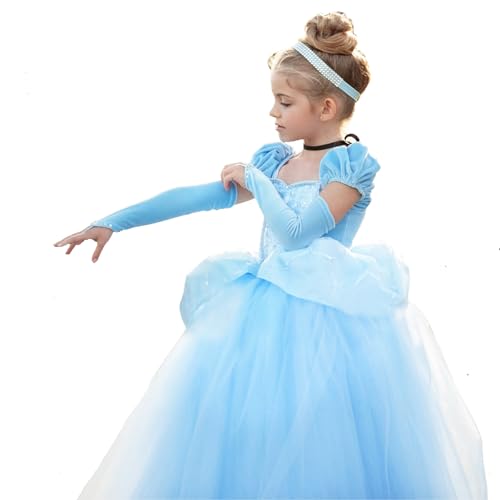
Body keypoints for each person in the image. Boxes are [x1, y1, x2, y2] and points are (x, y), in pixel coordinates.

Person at [54, 11, 488, 500]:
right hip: (259, 320)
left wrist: (258, 182)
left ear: (326, 107)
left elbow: (297, 234)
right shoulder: (278, 161)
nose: (273, 112)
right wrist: (113, 221)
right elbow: (198, 197)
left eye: (285, 102)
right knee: (246, 438)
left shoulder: (350, 167)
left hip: (327, 325)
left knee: (319, 441)